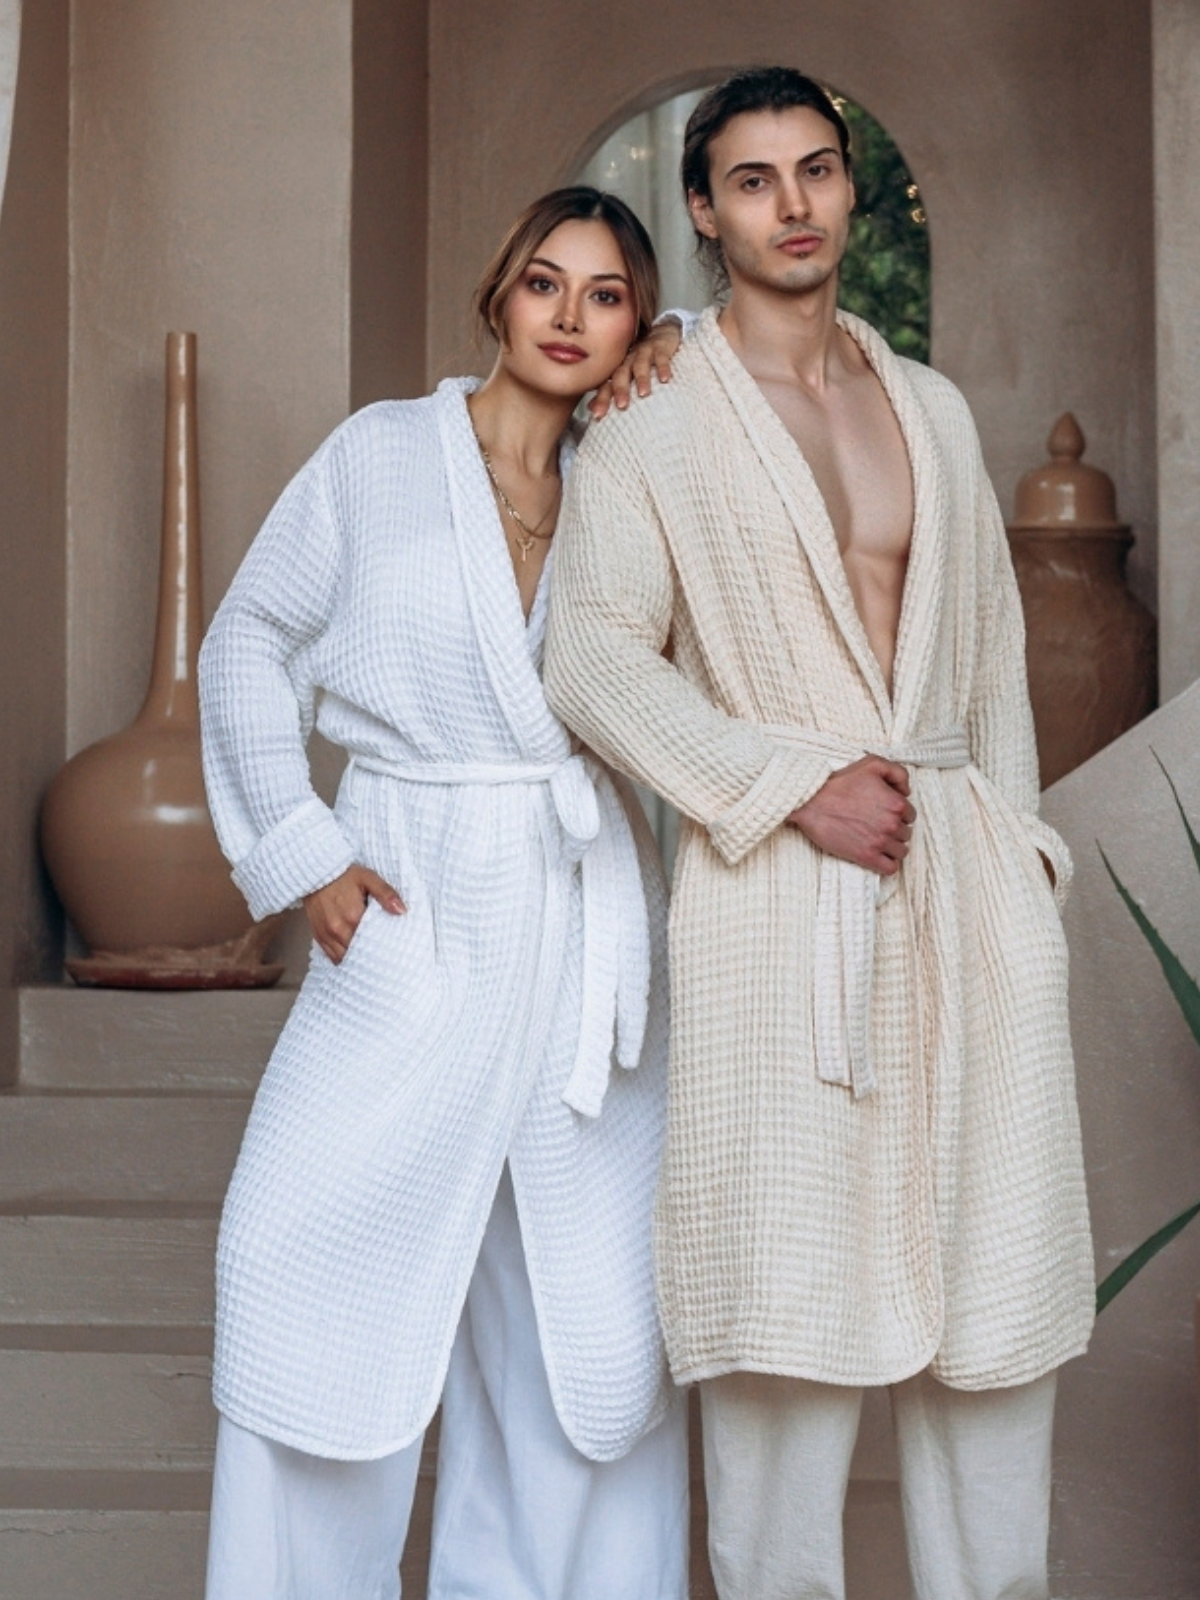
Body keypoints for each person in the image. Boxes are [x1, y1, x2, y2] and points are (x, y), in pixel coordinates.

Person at [544, 69, 1095, 1600]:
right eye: (753, 180)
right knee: (784, 1329)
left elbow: (990, 668)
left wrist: (1024, 875)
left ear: (852, 188)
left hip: (962, 889)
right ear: (705, 213)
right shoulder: (652, 426)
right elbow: (592, 661)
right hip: (778, 904)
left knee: (993, 1323)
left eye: (817, 171)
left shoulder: (934, 409)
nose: (793, 206)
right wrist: (787, 785)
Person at [198, 186, 689, 1600]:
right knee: (304, 1273)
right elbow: (248, 639)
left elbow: (758, 363)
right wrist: (303, 855)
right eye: (545, 282)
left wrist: (686, 343)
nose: (569, 317)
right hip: (416, 899)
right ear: (498, 294)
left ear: (633, 331)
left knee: (580, 1316)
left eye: (608, 297)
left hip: (580, 922)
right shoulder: (380, 456)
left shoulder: (632, 477)